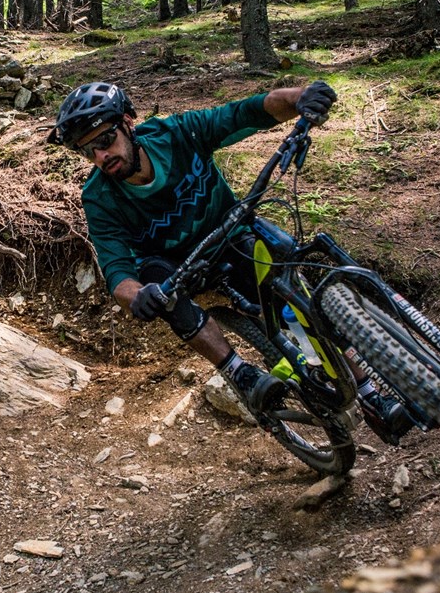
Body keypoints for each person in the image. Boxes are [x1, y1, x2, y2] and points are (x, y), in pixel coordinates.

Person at [50, 80, 410, 434]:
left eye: (104, 140)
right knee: (158, 283)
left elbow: (244, 113)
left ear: (128, 122)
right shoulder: (99, 197)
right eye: (87, 152)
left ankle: (368, 392)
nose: (101, 156)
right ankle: (238, 371)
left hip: (231, 235)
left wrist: (300, 98)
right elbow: (117, 271)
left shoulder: (175, 135)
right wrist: (137, 296)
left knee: (292, 291)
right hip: (178, 269)